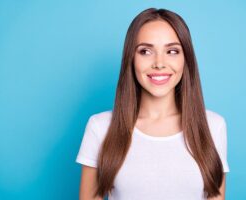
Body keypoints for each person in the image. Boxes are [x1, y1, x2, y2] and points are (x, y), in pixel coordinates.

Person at [76, 7, 230, 200]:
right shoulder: (100, 127)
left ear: (186, 59)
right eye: (146, 51)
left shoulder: (213, 126)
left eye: (172, 51)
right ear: (131, 59)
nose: (159, 63)